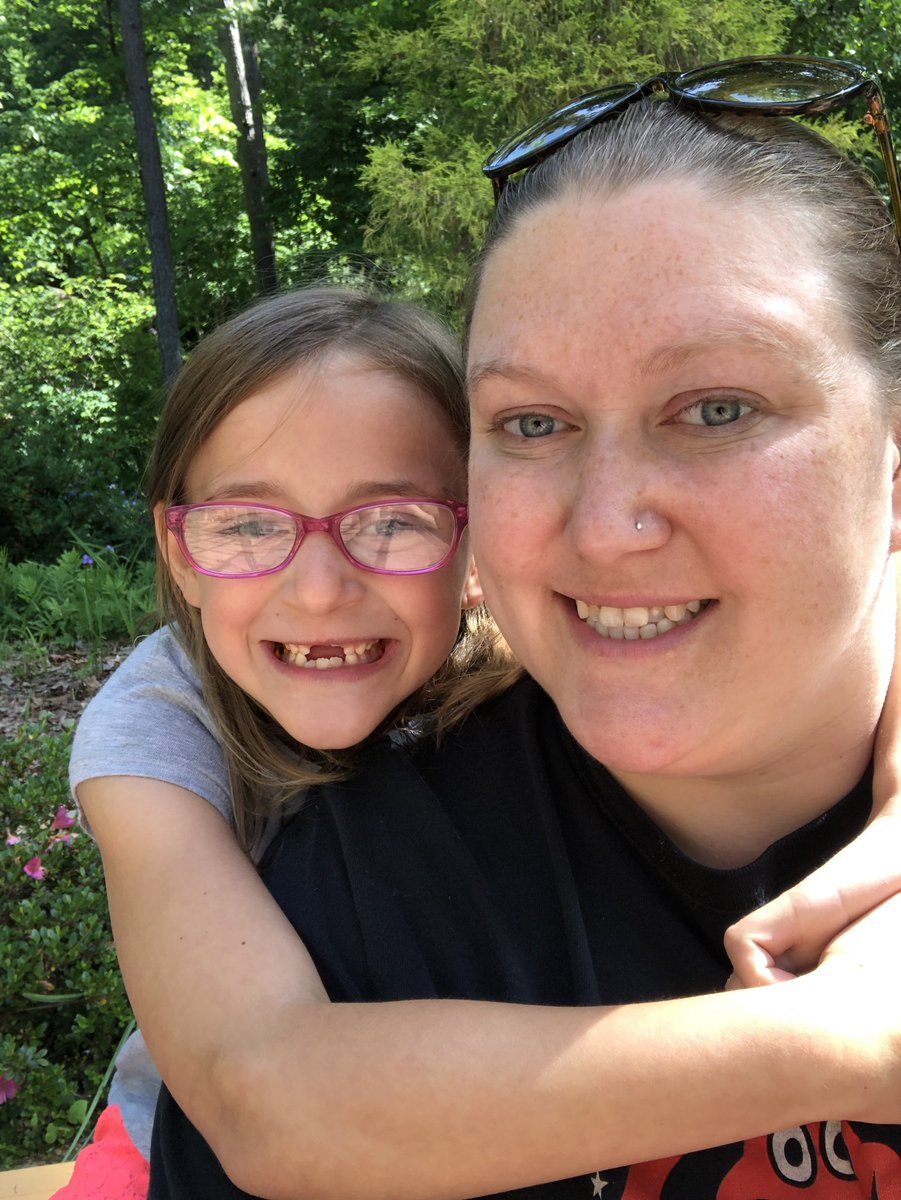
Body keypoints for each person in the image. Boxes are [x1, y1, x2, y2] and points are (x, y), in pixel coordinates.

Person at [70, 56, 901, 1199]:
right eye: (533, 422)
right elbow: (263, 1092)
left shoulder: (465, 661)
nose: (603, 529)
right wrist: (849, 1036)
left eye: (717, 408)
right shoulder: (303, 847)